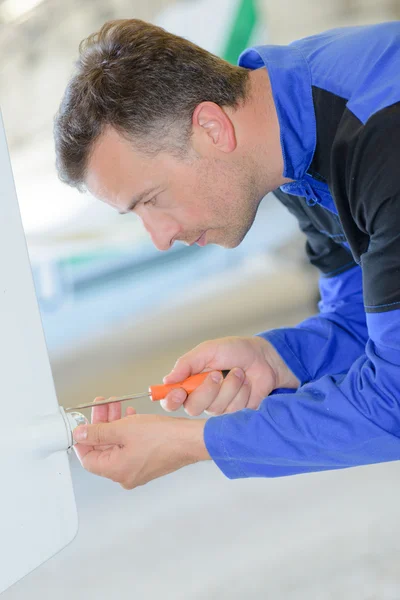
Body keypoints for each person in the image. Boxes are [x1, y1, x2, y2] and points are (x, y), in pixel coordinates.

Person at [54, 19, 400, 490]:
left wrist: (189, 442)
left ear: (212, 128)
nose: (158, 236)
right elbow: (361, 320)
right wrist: (277, 358)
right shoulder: (287, 145)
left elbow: (393, 399)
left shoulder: (382, 135)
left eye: (150, 199)